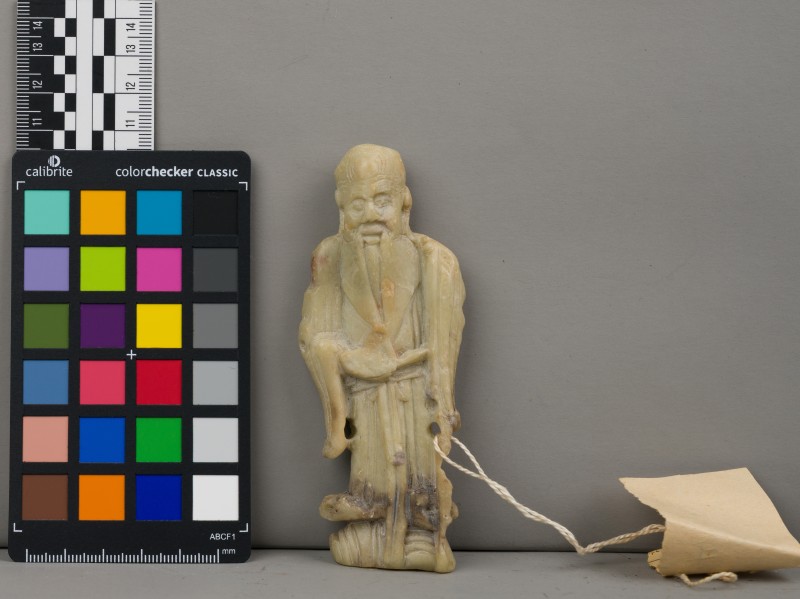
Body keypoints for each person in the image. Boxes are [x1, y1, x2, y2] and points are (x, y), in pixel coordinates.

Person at [299, 144, 465, 572]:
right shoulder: (330, 256)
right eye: (357, 204)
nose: (370, 215)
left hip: (415, 393)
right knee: (371, 484)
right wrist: (349, 360)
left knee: (420, 485)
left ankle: (425, 538)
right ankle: (374, 535)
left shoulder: (434, 260)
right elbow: (314, 335)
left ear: (404, 202)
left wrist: (442, 404)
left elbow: (446, 338)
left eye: (382, 201)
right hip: (365, 398)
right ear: (341, 208)